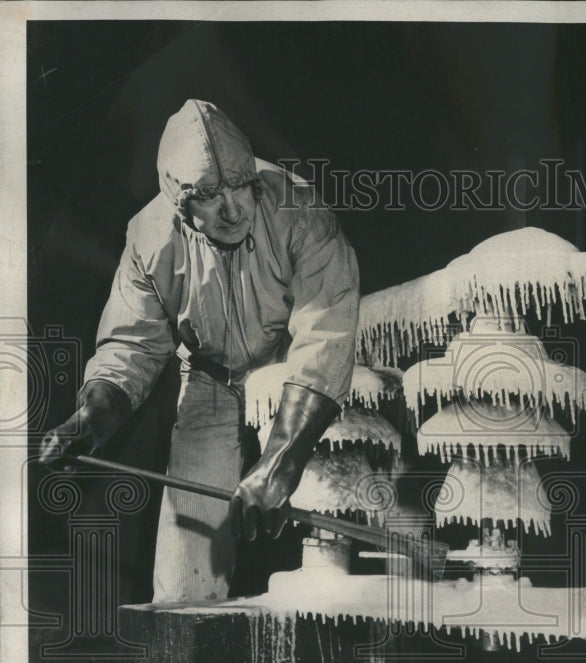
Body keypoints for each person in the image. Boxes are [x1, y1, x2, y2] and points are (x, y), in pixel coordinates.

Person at [39, 99, 360, 603]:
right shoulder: (149, 236)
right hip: (210, 379)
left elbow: (327, 333)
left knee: (326, 539)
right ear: (178, 201)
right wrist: (90, 420)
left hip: (296, 378)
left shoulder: (299, 209)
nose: (233, 209)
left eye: (241, 186)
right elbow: (132, 345)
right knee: (186, 576)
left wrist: (281, 459)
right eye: (209, 195)